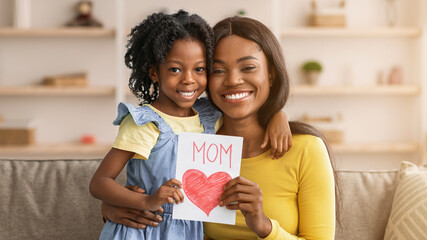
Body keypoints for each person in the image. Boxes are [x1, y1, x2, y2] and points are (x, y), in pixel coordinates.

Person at [89, 10, 292, 240]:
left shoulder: (207, 115)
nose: (188, 79)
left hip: (187, 231)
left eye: (199, 69)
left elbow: (245, 107)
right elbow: (99, 183)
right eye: (175, 69)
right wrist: (145, 201)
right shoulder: (145, 123)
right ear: (154, 72)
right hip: (144, 230)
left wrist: (278, 115)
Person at [202, 16, 336, 239]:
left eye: (248, 67)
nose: (233, 80)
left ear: (271, 74)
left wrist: (264, 226)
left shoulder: (306, 149)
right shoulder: (198, 144)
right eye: (218, 70)